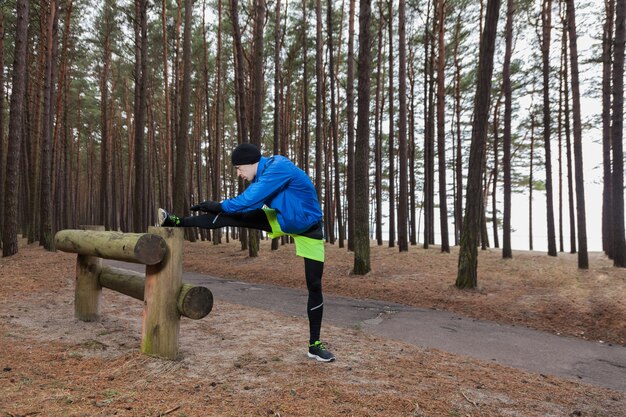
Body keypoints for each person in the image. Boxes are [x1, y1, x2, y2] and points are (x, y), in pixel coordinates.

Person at [158, 143, 335, 362]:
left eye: (240, 169)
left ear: (252, 163)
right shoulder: (263, 173)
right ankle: (175, 221)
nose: (240, 174)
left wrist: (219, 204)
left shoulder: (278, 167)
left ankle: (315, 345)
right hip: (282, 219)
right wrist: (219, 207)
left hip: (309, 228)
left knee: (314, 285)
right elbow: (243, 205)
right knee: (234, 216)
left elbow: (249, 199)